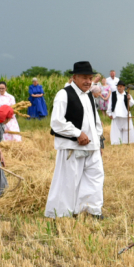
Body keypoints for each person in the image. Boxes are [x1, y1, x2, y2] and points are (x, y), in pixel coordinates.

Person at [45, 61, 106, 220]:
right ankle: (62, 214)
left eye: (90, 78)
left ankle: (91, 211)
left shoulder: (89, 95)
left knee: (95, 178)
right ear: (74, 77)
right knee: (68, 181)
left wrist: (98, 142)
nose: (88, 81)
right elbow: (56, 122)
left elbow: (96, 122)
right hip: (72, 147)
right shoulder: (63, 94)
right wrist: (77, 133)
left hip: (92, 147)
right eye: (84, 78)